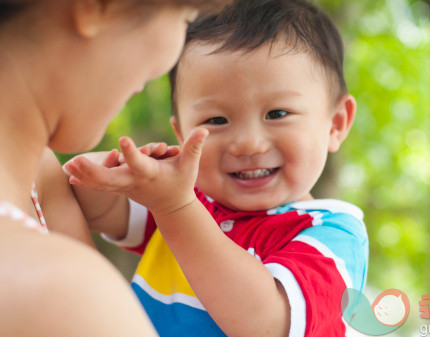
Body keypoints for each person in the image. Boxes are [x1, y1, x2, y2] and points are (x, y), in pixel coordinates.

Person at [65, 0, 369, 336]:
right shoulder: (190, 201)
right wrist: (116, 171)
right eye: (217, 120)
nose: (249, 144)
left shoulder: (335, 237)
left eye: (277, 114)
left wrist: (175, 206)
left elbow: (266, 324)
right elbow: (92, 203)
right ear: (181, 133)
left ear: (335, 124)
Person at [0, 0, 229, 335]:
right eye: (184, 17)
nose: (171, 59)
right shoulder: (63, 295)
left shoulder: (39, 176)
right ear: (100, 6)